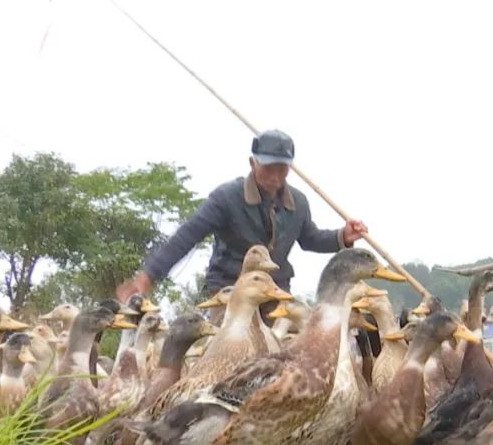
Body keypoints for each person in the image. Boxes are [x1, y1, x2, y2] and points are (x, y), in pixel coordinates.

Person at [116, 129, 368, 320]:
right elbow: (187, 236)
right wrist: (149, 275)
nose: (275, 177)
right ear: (253, 163)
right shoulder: (226, 198)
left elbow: (310, 238)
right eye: (268, 168)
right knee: (224, 361)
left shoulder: (298, 203)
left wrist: (343, 236)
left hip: (276, 293)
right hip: (229, 291)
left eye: (282, 169)